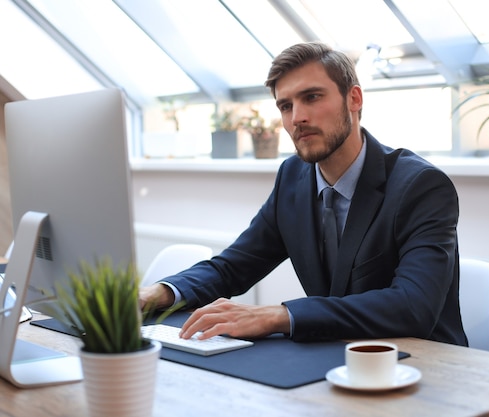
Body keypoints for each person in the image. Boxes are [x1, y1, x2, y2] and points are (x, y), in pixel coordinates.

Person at [140, 41, 468, 346]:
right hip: (335, 357)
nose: (298, 118)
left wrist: (278, 315)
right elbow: (234, 266)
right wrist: (158, 293)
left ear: (354, 99)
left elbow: (413, 306)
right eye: (286, 105)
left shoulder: (420, 186)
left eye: (312, 97)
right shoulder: (293, 177)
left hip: (422, 365)